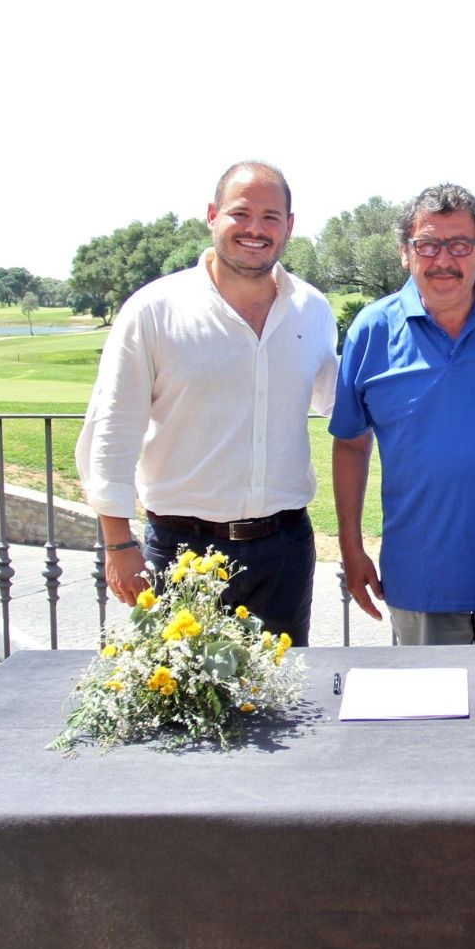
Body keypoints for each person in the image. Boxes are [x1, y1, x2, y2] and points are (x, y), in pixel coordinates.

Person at [76, 160, 338, 645]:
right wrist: (118, 542)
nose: (255, 229)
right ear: (213, 215)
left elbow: (341, 406)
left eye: (271, 216)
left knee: (282, 706)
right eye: (241, 213)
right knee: (180, 712)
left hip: (284, 550)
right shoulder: (154, 310)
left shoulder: (313, 309)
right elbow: (112, 431)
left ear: (290, 226)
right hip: (181, 550)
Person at [330, 184, 475, 645]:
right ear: (404, 253)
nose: (444, 260)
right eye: (428, 245)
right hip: (420, 579)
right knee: (430, 717)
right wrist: (351, 549)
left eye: (460, 245)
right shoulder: (371, 330)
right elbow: (351, 445)